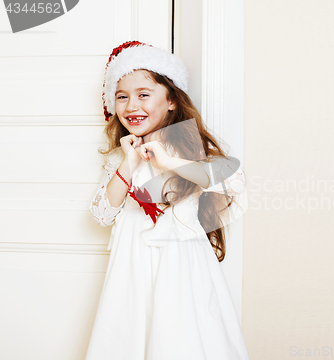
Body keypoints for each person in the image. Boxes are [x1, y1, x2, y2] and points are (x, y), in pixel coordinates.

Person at [86, 41, 249, 360]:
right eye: (122, 96)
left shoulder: (186, 149)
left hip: (181, 268)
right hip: (131, 266)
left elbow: (234, 182)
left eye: (143, 94)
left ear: (172, 100)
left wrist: (168, 163)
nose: (131, 105)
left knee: (179, 338)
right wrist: (127, 164)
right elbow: (102, 214)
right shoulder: (123, 156)